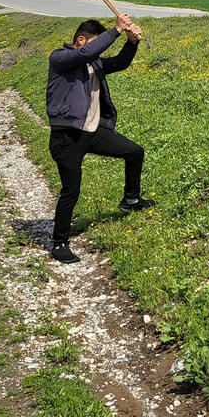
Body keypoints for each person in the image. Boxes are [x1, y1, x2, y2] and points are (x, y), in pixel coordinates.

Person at [46, 14, 155, 263]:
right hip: (67, 135)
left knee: (134, 152)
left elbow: (119, 63)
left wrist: (131, 42)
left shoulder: (93, 63)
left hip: (93, 132)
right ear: (81, 40)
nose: (98, 49)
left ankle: (131, 199)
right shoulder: (60, 58)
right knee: (71, 190)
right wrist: (116, 30)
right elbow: (85, 54)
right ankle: (59, 242)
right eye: (95, 43)